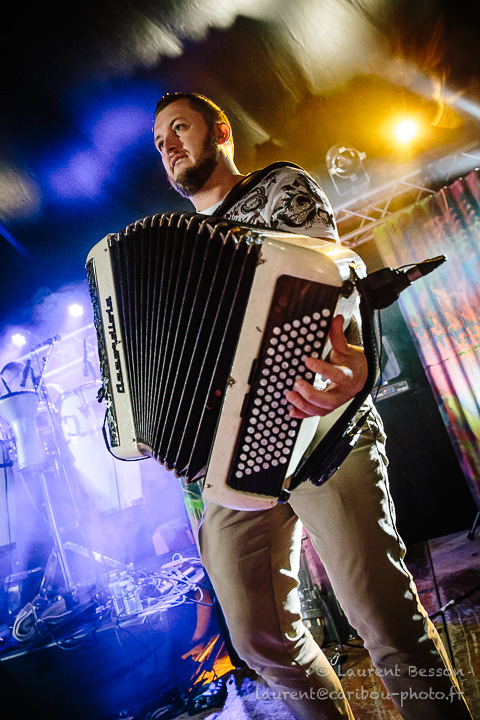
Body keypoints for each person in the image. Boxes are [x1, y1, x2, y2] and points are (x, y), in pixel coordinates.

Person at [153, 93, 473, 720]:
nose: (168, 145)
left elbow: (328, 283)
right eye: (160, 142)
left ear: (221, 131)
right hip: (235, 458)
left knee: (385, 621)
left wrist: (355, 353)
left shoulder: (279, 188)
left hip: (323, 428)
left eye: (180, 128)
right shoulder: (171, 254)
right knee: (258, 640)